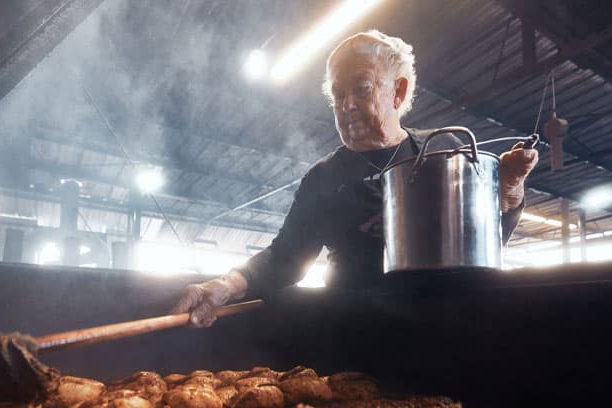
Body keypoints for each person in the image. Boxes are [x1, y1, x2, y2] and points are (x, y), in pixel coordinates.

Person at [174, 30, 538, 326]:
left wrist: (508, 194)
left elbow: (484, 242)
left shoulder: (443, 151)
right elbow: (285, 257)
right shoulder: (324, 177)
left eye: (361, 88)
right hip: (351, 328)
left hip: (437, 322)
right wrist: (226, 284)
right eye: (338, 94)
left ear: (398, 92)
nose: (346, 105)